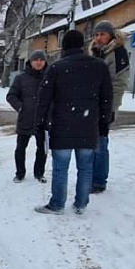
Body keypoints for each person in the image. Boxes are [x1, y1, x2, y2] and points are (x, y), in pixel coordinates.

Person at [34, 29, 112, 215]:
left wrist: (40, 123)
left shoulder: (56, 68)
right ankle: (81, 204)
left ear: (64, 46)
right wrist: (103, 123)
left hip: (62, 125)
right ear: (82, 46)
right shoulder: (99, 66)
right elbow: (106, 97)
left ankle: (57, 204)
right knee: (85, 167)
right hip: (88, 125)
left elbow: (43, 99)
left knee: (60, 167)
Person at [89, 20, 130, 194]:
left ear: (111, 35)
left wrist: (110, 109)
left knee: (100, 143)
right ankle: (91, 177)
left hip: (105, 106)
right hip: (91, 105)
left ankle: (99, 181)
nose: (99, 38)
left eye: (102, 34)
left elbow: (118, 84)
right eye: (97, 34)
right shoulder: (96, 53)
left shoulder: (118, 53)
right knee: (91, 143)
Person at [6, 50, 49, 183]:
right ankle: (20, 173)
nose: (38, 62)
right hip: (26, 118)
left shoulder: (50, 77)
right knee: (20, 149)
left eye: (41, 60)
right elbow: (11, 96)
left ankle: (39, 173)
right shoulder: (21, 78)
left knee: (42, 149)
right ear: (30, 62)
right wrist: (21, 107)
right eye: (35, 59)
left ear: (45, 62)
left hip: (43, 120)